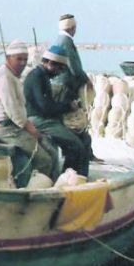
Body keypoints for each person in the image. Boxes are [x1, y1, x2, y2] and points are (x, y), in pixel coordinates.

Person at [0, 39, 57, 181]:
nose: (23, 63)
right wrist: (33, 131)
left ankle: (52, 184)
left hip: (16, 126)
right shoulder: (4, 78)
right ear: (8, 58)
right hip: (7, 129)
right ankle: (38, 190)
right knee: (45, 160)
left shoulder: (11, 75)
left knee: (52, 151)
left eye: (25, 59)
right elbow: (14, 111)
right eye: (19, 59)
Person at [25, 46, 91, 176]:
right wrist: (67, 107)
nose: (59, 72)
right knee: (76, 146)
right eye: (59, 68)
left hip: (46, 118)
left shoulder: (42, 76)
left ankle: (77, 176)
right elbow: (44, 107)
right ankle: (70, 179)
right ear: (49, 63)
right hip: (38, 120)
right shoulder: (36, 77)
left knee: (84, 139)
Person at [52, 14, 91, 102]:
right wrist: (86, 80)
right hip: (65, 87)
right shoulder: (66, 42)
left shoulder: (59, 39)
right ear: (71, 28)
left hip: (59, 85)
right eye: (75, 28)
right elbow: (74, 67)